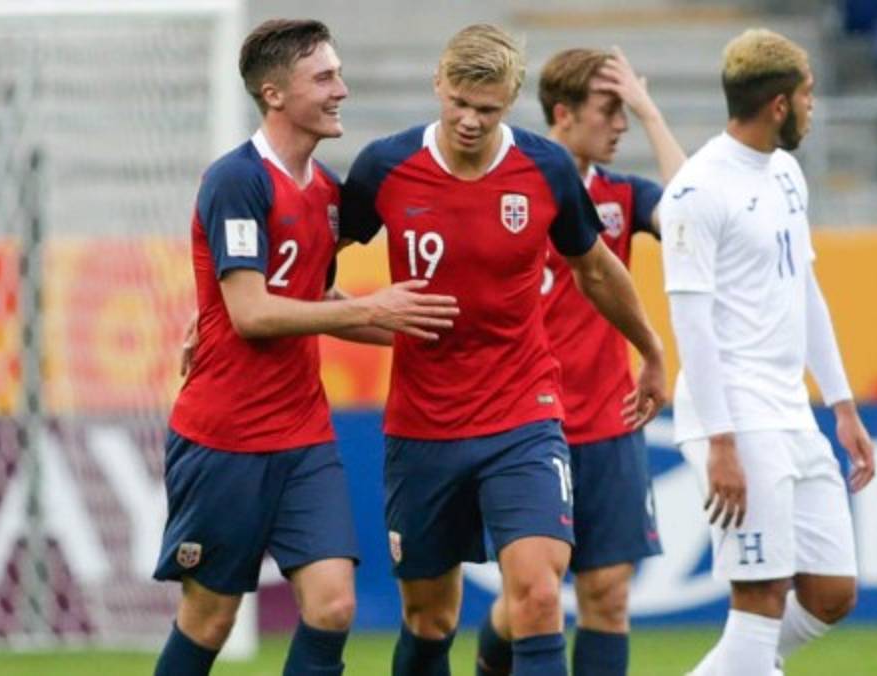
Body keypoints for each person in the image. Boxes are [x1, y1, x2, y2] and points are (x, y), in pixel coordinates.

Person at [339, 24, 668, 676]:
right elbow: (315, 262)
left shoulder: (545, 169)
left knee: (541, 595)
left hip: (523, 415)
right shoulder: (384, 166)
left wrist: (651, 350)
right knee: (429, 619)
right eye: (458, 102)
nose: (469, 120)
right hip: (423, 423)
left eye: (486, 110)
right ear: (438, 82)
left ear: (511, 101)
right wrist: (349, 313)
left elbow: (596, 270)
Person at [151, 19, 460, 676]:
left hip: (303, 436)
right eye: (323, 77)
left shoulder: (326, 193)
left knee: (333, 605)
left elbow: (316, 300)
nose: (341, 89)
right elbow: (252, 314)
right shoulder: (237, 180)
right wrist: (374, 307)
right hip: (224, 438)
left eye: (339, 74)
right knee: (210, 619)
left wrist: (430, 330)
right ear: (274, 93)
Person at [660, 28, 876, 676]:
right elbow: (690, 323)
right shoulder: (697, 191)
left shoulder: (785, 172)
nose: (813, 107)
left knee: (832, 591)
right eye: (807, 95)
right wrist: (721, 440)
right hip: (736, 412)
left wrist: (842, 404)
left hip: (791, 411)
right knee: (759, 597)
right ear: (779, 104)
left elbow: (804, 289)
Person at [473, 46, 685, 676]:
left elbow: (694, 214)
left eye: (626, 111)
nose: (620, 125)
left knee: (609, 595)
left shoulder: (621, 195)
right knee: (532, 597)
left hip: (610, 419)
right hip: (529, 426)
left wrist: (650, 113)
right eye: (609, 109)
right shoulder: (509, 189)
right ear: (562, 113)